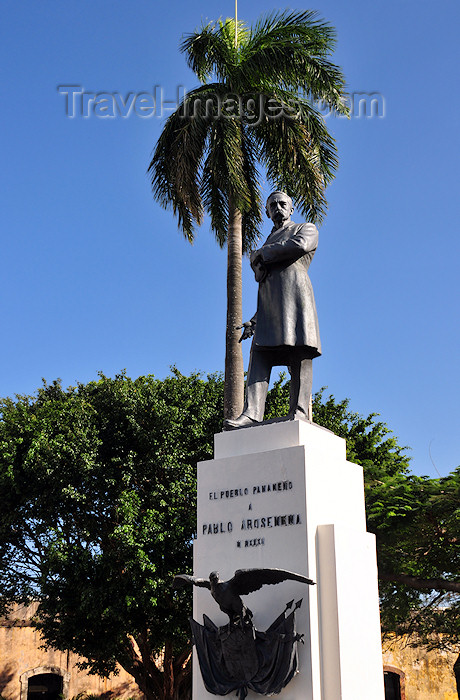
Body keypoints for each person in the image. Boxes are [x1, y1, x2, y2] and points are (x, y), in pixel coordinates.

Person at [223, 191, 321, 430]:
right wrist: (255, 321)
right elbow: (265, 281)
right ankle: (251, 413)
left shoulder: (305, 228)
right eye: (273, 205)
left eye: (282, 203)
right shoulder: (269, 240)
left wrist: (262, 254)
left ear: (291, 208)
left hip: (297, 299)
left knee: (300, 353)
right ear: (267, 212)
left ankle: (299, 411)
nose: (278, 207)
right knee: (259, 356)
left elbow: (300, 245)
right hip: (269, 308)